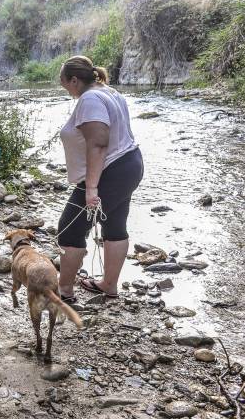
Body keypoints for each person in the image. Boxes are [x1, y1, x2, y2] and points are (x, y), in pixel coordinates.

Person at [55, 55, 144, 303]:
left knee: (70, 229)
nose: (63, 87)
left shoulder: (90, 99)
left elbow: (98, 143)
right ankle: (108, 285)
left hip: (109, 171)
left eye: (63, 82)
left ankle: (64, 291)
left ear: (74, 80)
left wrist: (91, 187)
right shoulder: (109, 91)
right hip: (129, 164)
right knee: (115, 224)